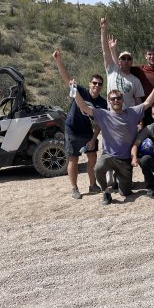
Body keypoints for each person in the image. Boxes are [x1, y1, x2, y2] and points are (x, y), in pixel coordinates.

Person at [73, 77, 154, 205]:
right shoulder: (103, 114)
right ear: (109, 101)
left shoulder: (132, 112)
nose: (116, 101)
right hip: (109, 156)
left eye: (118, 98)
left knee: (125, 193)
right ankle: (106, 193)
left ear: (122, 100)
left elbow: (148, 102)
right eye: (113, 99)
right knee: (98, 168)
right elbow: (83, 106)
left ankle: (120, 179)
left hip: (125, 160)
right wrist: (74, 90)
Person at [52, 49, 107, 199]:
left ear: (102, 86)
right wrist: (58, 61)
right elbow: (67, 79)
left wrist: (93, 138)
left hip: (88, 131)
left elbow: (100, 124)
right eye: (94, 83)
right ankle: (74, 188)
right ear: (90, 84)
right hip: (72, 129)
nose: (96, 85)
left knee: (92, 157)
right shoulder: (81, 91)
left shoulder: (102, 103)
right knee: (73, 159)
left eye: (99, 84)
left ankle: (93, 184)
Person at [100, 17, 145, 108]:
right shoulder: (112, 70)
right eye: (123, 58)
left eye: (129, 59)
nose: (126, 61)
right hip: (112, 114)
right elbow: (105, 51)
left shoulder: (135, 80)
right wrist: (103, 30)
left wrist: (140, 121)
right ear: (119, 61)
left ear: (132, 62)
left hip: (129, 116)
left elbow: (138, 101)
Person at [130, 45, 154, 126]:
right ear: (145, 56)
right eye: (149, 54)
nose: (152, 56)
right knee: (147, 134)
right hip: (146, 109)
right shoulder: (139, 70)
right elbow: (121, 66)